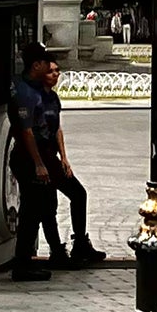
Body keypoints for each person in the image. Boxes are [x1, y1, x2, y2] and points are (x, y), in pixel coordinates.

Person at [34, 59, 107, 267]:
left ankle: (79, 242)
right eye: (50, 72)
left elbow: (58, 128)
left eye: (58, 71)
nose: (55, 75)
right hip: (41, 157)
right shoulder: (35, 99)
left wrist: (64, 158)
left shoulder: (53, 98)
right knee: (49, 205)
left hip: (53, 158)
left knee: (78, 194)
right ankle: (57, 249)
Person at [7, 42, 59, 281]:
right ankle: (22, 263)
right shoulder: (26, 93)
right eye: (46, 63)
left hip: (34, 155)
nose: (50, 67)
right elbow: (26, 132)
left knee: (38, 207)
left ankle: (29, 259)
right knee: (30, 211)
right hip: (28, 158)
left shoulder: (28, 86)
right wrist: (39, 164)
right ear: (36, 65)